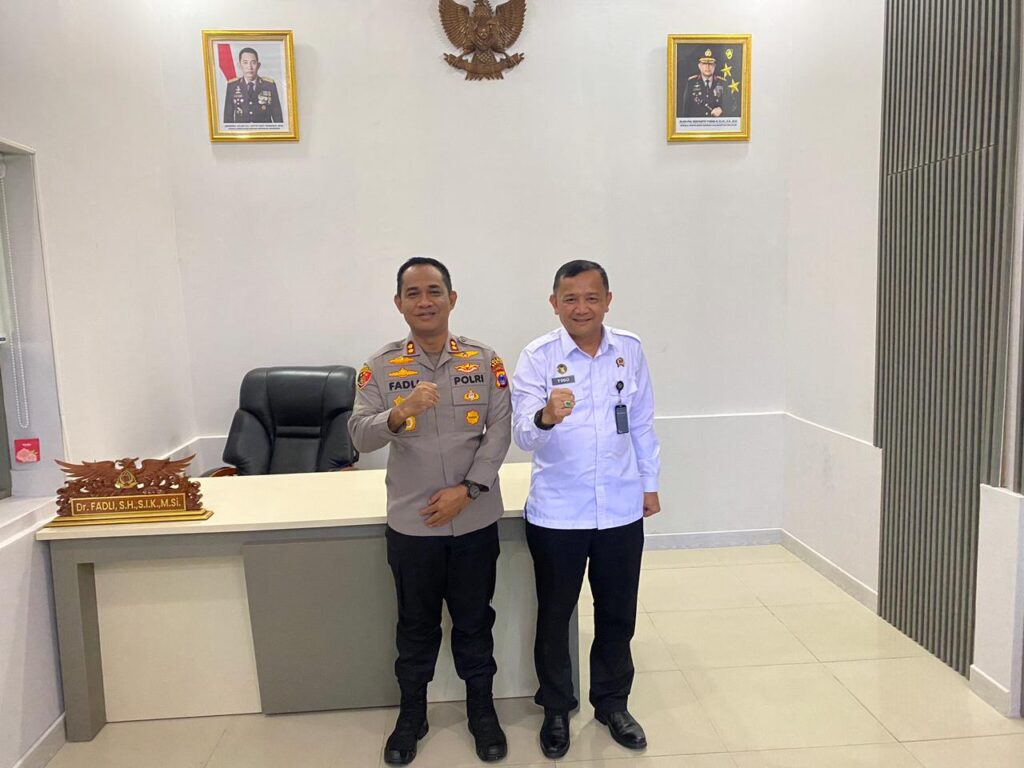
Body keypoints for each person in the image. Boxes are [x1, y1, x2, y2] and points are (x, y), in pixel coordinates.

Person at [349, 256, 512, 765]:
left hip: (473, 519)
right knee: (415, 627)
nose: (425, 301)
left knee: (474, 622)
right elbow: (358, 436)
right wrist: (400, 412)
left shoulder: (484, 360)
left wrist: (470, 489)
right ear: (399, 303)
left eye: (434, 291)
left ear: (452, 299)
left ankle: (481, 711)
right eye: (413, 293)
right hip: (413, 524)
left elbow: (499, 430)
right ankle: (411, 715)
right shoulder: (380, 366)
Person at [511, 260, 661, 759]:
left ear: (608, 301)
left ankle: (612, 704)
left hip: (620, 507)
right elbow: (523, 436)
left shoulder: (629, 350)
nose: (581, 308)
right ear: (554, 303)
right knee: (555, 616)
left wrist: (649, 485)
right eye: (570, 299)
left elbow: (641, 422)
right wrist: (545, 416)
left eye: (591, 298)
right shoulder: (537, 357)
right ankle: (556, 707)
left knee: (617, 614)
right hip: (559, 512)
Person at [223, 47, 283, 124]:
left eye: (253, 63)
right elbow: (228, 119)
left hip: (264, 131)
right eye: (245, 62)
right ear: (239, 65)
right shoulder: (232, 86)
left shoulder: (269, 85)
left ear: (258, 65)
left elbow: (278, 118)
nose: (250, 67)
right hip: (242, 131)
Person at [680, 49, 736, 118]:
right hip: (696, 123)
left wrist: (722, 110)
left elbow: (732, 105)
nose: (707, 67)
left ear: (714, 66)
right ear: (699, 66)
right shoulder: (691, 83)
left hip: (716, 124)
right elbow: (685, 109)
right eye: (704, 64)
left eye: (710, 64)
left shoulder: (722, 83)